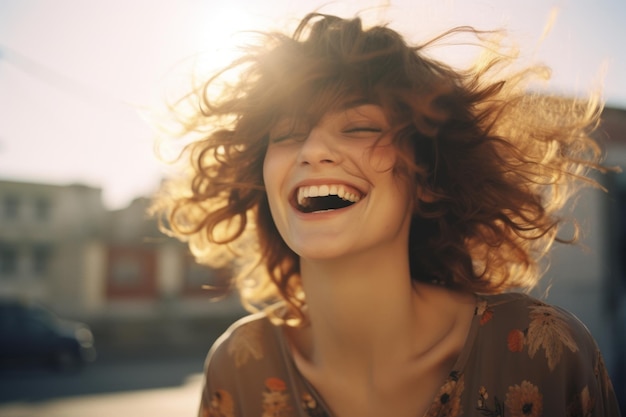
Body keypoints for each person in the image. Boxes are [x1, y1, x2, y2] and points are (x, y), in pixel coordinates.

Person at [153, 12, 621, 417]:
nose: (313, 151)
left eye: (359, 127)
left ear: (426, 177)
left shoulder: (544, 354)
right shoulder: (239, 367)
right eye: (288, 134)